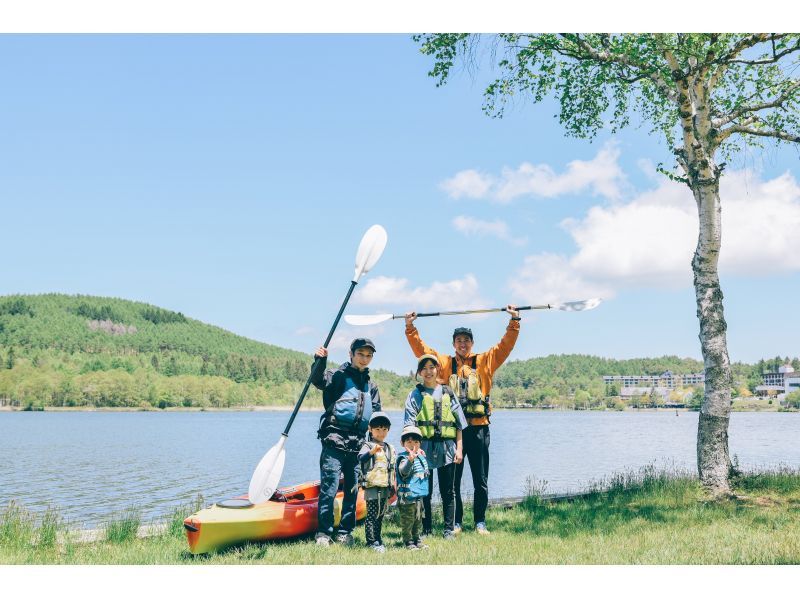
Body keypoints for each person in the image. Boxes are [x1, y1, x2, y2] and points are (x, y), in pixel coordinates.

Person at [405, 305, 520, 535]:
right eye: (459, 340)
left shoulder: (486, 361)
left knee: (481, 480)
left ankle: (480, 522)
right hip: (454, 432)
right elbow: (423, 351)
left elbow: (505, 346)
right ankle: (456, 523)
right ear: (454, 344)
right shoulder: (445, 365)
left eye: (467, 340)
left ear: (472, 343)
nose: (463, 344)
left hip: (478, 429)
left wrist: (514, 321)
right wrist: (410, 328)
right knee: (453, 483)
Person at [311, 338, 382, 547]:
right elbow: (317, 380)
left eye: (369, 355)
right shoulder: (337, 376)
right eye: (361, 354)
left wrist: (375, 447)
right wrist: (319, 360)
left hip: (358, 444)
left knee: (352, 490)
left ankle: (345, 532)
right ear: (350, 354)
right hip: (334, 440)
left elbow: (376, 417)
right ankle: (323, 533)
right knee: (329, 488)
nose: (364, 358)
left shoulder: (372, 386)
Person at [403, 354, 467, 539]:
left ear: (437, 369)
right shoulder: (415, 394)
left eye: (432, 367)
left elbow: (459, 424)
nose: (428, 371)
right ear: (419, 372)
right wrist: (414, 451)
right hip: (423, 449)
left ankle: (448, 530)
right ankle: (427, 529)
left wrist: (460, 449)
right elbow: (409, 426)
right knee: (425, 491)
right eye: (424, 368)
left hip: (447, 448)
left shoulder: (448, 392)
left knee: (449, 491)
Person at [358, 411, 395, 553]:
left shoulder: (389, 447)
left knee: (380, 515)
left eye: (384, 429)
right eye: (377, 429)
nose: (381, 433)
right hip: (372, 487)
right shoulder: (368, 445)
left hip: (385, 486)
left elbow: (392, 467)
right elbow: (360, 458)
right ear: (370, 429)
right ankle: (371, 542)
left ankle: (378, 539)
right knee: (372, 515)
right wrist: (372, 452)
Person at [395, 425, 430, 550]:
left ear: (420, 443)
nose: (412, 445)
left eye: (416, 442)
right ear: (402, 443)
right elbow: (403, 472)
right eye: (409, 441)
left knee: (418, 519)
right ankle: (408, 541)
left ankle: (417, 539)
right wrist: (410, 460)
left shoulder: (419, 456)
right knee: (408, 521)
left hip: (418, 497)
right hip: (407, 497)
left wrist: (418, 455)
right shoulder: (404, 458)